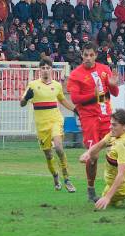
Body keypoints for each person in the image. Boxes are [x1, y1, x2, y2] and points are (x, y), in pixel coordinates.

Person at [67, 42, 119, 202]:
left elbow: (114, 93)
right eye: (85, 55)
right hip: (89, 118)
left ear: (96, 55)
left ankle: (117, 188)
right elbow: (75, 99)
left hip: (106, 116)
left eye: (91, 55)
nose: (88, 58)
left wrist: (112, 85)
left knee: (116, 151)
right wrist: (93, 96)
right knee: (93, 156)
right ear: (81, 55)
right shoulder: (76, 74)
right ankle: (91, 189)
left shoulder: (104, 69)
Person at [20, 57, 77, 193]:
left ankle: (67, 179)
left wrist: (75, 110)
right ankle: (55, 177)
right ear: (40, 70)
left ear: (51, 70)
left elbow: (62, 100)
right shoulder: (33, 85)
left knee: (58, 147)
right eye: (43, 68)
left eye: (48, 68)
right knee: (48, 155)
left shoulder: (57, 86)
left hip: (55, 120)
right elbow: (21, 103)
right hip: (41, 125)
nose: (45, 70)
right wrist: (26, 98)